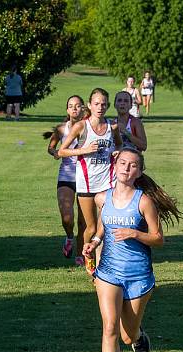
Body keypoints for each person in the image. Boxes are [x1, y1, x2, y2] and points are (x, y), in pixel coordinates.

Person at [82, 146, 183, 352]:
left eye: (133, 165)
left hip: (138, 274)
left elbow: (158, 238)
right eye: (123, 164)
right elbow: (102, 228)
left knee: (127, 336)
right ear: (115, 166)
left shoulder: (143, 201)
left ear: (139, 171)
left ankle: (138, 336)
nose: (127, 168)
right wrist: (94, 243)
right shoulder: (101, 198)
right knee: (109, 327)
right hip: (108, 272)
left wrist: (135, 234)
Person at [58, 88, 122, 268]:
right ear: (89, 105)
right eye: (96, 104)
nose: (100, 107)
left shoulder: (112, 127)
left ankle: (104, 261)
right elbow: (62, 151)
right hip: (86, 183)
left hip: (108, 183)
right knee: (91, 228)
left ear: (108, 106)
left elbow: (119, 144)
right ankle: (87, 257)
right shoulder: (81, 126)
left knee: (107, 225)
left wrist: (118, 152)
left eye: (103, 104)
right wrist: (84, 150)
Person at [44, 95, 87, 265]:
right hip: (66, 175)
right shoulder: (62, 129)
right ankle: (69, 237)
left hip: (86, 177)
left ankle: (80, 254)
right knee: (67, 218)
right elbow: (51, 146)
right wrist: (54, 153)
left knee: (83, 221)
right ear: (67, 110)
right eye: (71, 106)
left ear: (83, 108)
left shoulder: (89, 127)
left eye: (78, 106)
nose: (75, 109)